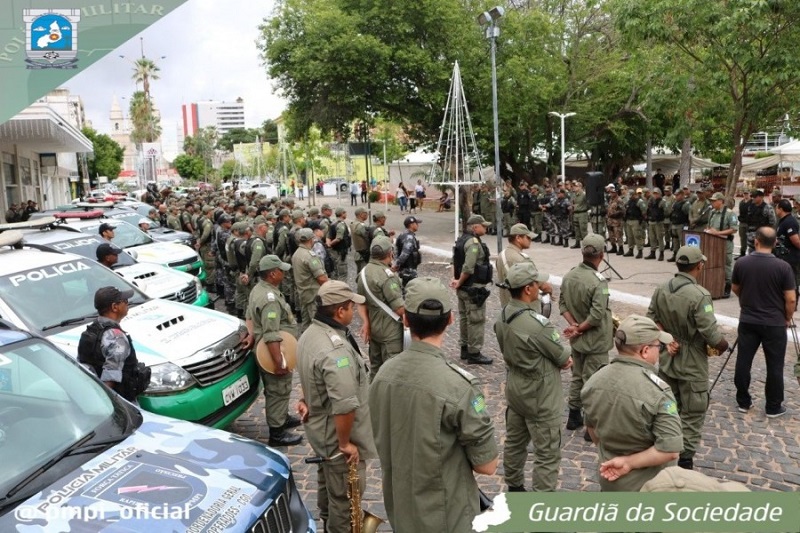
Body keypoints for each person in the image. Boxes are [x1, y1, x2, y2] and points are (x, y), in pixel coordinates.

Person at [370, 277, 498, 532]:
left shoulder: (382, 375)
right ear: (450, 320)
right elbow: (488, 465)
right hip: (447, 516)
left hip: (402, 511)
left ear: (405, 319)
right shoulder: (459, 385)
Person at [296, 280, 375, 533]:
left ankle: (328, 524)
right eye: (351, 307)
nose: (354, 311)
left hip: (321, 435)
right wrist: (345, 444)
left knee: (328, 488)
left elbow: (311, 376)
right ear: (340, 311)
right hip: (336, 441)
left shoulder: (310, 334)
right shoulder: (336, 352)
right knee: (346, 502)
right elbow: (344, 404)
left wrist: (304, 399)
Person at [647, 245, 728, 469]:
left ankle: (664, 448)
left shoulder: (661, 288)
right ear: (699, 266)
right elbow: (710, 333)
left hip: (668, 356)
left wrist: (666, 339)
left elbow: (651, 318)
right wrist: (723, 345)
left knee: (668, 407)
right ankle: (685, 459)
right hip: (692, 360)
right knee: (693, 410)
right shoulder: (699, 295)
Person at [581, 315, 683, 491]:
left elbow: (592, 429)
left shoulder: (594, 381)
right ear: (644, 350)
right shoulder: (658, 392)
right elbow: (670, 449)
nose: (660, 351)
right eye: (658, 346)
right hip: (649, 485)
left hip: (610, 480)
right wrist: (628, 463)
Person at [495, 262, 572, 492]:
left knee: (515, 443)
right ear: (528, 289)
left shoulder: (504, 315)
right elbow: (564, 357)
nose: (540, 286)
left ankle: (514, 487)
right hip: (541, 395)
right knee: (547, 453)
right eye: (536, 283)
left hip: (516, 389)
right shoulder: (538, 325)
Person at [732, 227, 795, 418]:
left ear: (756, 241)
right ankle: (773, 406)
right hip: (774, 322)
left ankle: (743, 401)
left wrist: (748, 300)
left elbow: (735, 288)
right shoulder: (783, 267)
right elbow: (791, 299)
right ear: (775, 243)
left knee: (743, 360)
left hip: (749, 319)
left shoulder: (742, 263)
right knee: (775, 365)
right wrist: (786, 316)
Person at [559, 234, 614, 438]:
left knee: (577, 376)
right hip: (595, 340)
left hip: (578, 338)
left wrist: (573, 325)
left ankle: (574, 416)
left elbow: (562, 304)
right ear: (601, 255)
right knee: (595, 382)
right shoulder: (598, 282)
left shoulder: (570, 275)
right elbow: (597, 316)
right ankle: (591, 428)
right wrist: (580, 327)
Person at [245, 254, 303, 447]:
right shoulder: (269, 298)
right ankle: (277, 433)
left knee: (279, 390)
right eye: (281, 271)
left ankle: (282, 417)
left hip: (271, 346)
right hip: (273, 350)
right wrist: (279, 362)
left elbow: (250, 316)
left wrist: (251, 335)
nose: (284, 274)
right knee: (278, 389)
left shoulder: (259, 289)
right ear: (272, 274)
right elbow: (271, 334)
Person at [77, 286, 147, 402]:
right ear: (115, 307)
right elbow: (111, 376)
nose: (127, 304)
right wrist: (105, 403)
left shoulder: (91, 330)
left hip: (93, 392)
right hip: (119, 401)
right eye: (125, 301)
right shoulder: (116, 337)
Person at [356, 236, 405, 380]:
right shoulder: (388, 277)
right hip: (390, 331)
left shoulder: (363, 273)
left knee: (375, 369)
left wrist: (366, 322)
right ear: (390, 253)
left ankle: (373, 398)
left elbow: (361, 302)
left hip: (374, 327)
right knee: (393, 371)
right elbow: (399, 309)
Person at [451, 214, 494, 365]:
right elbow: (468, 267)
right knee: (476, 320)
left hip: (463, 288)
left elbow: (455, 262)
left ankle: (464, 348)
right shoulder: (473, 243)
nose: (486, 228)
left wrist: (456, 280)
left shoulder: (461, 239)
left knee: (464, 318)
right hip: (473, 288)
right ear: (475, 227)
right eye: (484, 225)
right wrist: (459, 281)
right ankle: (474, 353)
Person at [495, 223, 552, 312]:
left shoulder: (501, 255)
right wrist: (549, 290)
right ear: (518, 238)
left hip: (507, 307)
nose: (530, 240)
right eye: (528, 237)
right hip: (524, 308)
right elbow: (540, 284)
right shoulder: (522, 259)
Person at [292, 227, 329, 335]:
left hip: (303, 295)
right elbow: (321, 278)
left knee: (306, 324)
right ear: (310, 239)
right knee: (318, 325)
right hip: (313, 296)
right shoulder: (310, 256)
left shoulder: (296, 254)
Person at [705, 192, 739, 297]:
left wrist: (718, 233)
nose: (712, 202)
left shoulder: (729, 213)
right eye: (711, 201)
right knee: (713, 263)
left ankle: (727, 286)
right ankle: (714, 285)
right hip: (713, 242)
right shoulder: (712, 212)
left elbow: (734, 229)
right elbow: (709, 225)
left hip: (725, 243)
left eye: (714, 201)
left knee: (726, 264)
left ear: (721, 201)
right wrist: (707, 230)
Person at [774, 199, 800, 301]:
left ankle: (792, 303)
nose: (776, 210)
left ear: (781, 209)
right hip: (783, 257)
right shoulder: (784, 221)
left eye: (777, 208)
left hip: (790, 258)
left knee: (792, 281)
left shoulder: (789, 222)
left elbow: (796, 241)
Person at [393, 215, 422, 286]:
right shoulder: (409, 237)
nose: (418, 225)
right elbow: (405, 253)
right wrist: (396, 265)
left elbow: (396, 251)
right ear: (411, 225)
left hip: (406, 270)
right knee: (409, 290)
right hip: (408, 271)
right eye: (416, 223)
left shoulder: (403, 235)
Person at [327, 207, 351, 281]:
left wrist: (328, 244)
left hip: (334, 252)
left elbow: (328, 236)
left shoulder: (333, 223)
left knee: (336, 272)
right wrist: (331, 244)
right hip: (340, 252)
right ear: (342, 214)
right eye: (345, 212)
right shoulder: (341, 224)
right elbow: (339, 238)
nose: (346, 214)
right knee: (343, 274)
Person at [623, 188, 646, 258]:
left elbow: (644, 211)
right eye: (629, 195)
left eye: (631, 195)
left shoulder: (639, 201)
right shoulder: (629, 202)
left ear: (634, 195)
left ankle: (640, 251)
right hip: (629, 220)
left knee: (637, 236)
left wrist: (642, 220)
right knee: (629, 236)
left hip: (636, 220)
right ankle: (630, 250)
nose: (630, 196)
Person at [645, 187, 667, 261]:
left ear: (660, 194)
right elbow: (648, 210)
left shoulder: (662, 202)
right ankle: (652, 252)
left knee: (660, 238)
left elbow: (666, 211)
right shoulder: (651, 201)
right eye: (654, 193)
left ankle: (661, 253)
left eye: (656, 194)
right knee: (652, 237)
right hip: (651, 221)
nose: (655, 195)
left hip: (659, 222)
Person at [605, 184, 625, 255]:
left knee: (618, 235)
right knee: (611, 235)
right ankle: (614, 247)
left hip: (617, 221)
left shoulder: (619, 200)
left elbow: (622, 211)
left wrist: (615, 214)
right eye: (611, 192)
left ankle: (621, 248)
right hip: (610, 220)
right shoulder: (610, 200)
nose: (611, 194)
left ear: (616, 193)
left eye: (613, 192)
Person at [351, 206, 370, 273]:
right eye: (366, 213)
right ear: (361, 214)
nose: (367, 215)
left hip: (358, 254)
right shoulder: (360, 226)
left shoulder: (354, 223)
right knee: (364, 275)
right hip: (363, 255)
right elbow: (368, 237)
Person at [571, 181, 589, 248]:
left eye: (576, 186)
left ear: (580, 187)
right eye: (574, 186)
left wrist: (584, 208)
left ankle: (586, 244)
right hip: (576, 213)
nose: (574, 187)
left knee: (583, 229)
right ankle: (577, 243)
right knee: (576, 229)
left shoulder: (584, 195)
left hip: (582, 213)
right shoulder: (575, 195)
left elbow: (588, 203)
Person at [737, 189, 752, 259]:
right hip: (742, 223)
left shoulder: (752, 202)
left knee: (751, 239)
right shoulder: (741, 203)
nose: (746, 195)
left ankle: (751, 255)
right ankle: (742, 254)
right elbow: (740, 212)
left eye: (747, 194)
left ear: (749, 194)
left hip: (749, 223)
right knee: (742, 239)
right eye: (744, 194)